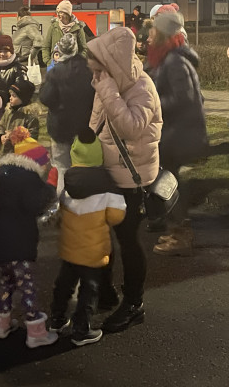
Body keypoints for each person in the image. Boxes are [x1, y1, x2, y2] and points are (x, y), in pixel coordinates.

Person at [87, 27, 162, 333]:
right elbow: (96, 124)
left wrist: (107, 91)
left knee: (128, 241)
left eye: (99, 63)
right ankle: (105, 292)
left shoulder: (142, 87)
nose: (94, 70)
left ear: (114, 62)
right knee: (103, 236)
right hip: (106, 173)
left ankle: (134, 304)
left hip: (132, 177)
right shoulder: (109, 82)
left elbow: (131, 128)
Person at [49, 128, 126, 347]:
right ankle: (81, 330)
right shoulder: (108, 187)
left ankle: (56, 319)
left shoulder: (68, 183)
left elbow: (61, 211)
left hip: (70, 247)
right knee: (89, 290)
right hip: (93, 250)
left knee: (64, 284)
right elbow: (116, 216)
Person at [0, 128, 59, 348]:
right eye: (43, 163)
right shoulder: (29, 179)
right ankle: (36, 331)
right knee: (26, 285)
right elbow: (36, 205)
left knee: (6, 282)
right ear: (33, 161)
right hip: (18, 242)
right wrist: (50, 186)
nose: (44, 168)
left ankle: (3, 324)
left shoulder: (3, 175)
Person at [146, 8, 207, 256]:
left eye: (153, 31)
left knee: (167, 183)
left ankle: (180, 232)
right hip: (174, 133)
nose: (148, 36)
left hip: (179, 136)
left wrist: (152, 105)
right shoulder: (167, 59)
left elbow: (184, 99)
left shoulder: (174, 61)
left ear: (164, 34)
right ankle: (176, 228)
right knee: (166, 182)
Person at [39, 32, 96, 196]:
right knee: (83, 166)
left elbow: (45, 97)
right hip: (85, 127)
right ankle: (84, 202)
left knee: (62, 166)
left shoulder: (56, 72)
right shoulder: (88, 69)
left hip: (61, 128)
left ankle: (64, 203)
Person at [0, 76, 42, 145]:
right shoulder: (8, 111)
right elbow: (1, 126)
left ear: (24, 99)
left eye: (14, 96)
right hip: (5, 151)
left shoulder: (30, 117)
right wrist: (1, 136)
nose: (10, 98)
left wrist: (13, 136)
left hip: (22, 152)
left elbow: (32, 137)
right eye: (10, 95)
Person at [42, 0, 88, 65]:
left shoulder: (78, 28)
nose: (58, 14)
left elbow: (84, 49)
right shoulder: (53, 27)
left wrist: (78, 62)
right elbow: (46, 47)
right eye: (57, 12)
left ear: (67, 14)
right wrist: (48, 62)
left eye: (61, 12)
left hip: (72, 67)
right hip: (55, 67)